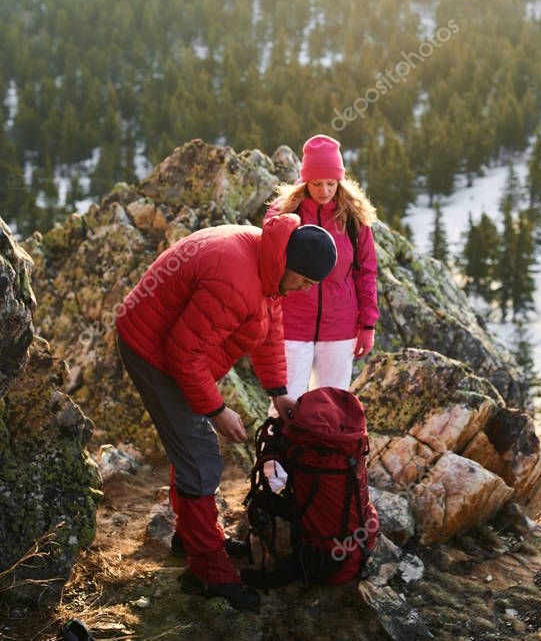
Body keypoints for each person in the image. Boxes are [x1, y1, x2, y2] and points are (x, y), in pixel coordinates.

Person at [115, 213, 337, 612]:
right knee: (201, 455)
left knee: (192, 447)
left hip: (170, 341)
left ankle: (191, 537)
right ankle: (206, 572)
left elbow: (269, 329)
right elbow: (182, 354)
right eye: (304, 281)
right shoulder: (237, 280)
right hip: (151, 348)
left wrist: (279, 394)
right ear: (290, 264)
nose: (304, 290)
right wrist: (217, 410)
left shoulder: (268, 261)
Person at [264, 134, 379, 405]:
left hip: (340, 326)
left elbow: (367, 272)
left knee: (331, 408)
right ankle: (280, 449)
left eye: (331, 183)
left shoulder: (354, 216)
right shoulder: (285, 212)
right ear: (305, 181)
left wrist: (368, 325)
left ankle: (324, 450)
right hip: (291, 324)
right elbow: (268, 262)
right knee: (285, 404)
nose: (325, 191)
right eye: (316, 183)